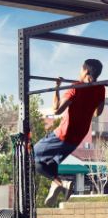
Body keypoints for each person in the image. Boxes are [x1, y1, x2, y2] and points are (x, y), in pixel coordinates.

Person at [34, 59, 105, 206]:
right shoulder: (100, 89)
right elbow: (98, 112)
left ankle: (61, 183)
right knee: (49, 163)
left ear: (85, 71)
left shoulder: (76, 87)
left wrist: (57, 87)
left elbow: (56, 110)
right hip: (77, 138)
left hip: (63, 134)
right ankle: (58, 183)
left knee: (30, 155)